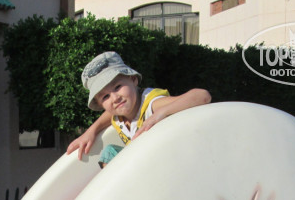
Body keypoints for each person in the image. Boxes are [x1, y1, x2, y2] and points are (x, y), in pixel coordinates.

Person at [67, 51, 211, 160]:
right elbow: (110, 114)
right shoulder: (118, 114)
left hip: (171, 160)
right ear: (100, 104)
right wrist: (91, 131)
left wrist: (160, 113)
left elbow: (202, 96)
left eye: (117, 87)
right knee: (109, 153)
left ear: (133, 79)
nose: (115, 98)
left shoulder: (151, 104)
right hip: (146, 163)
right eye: (105, 97)